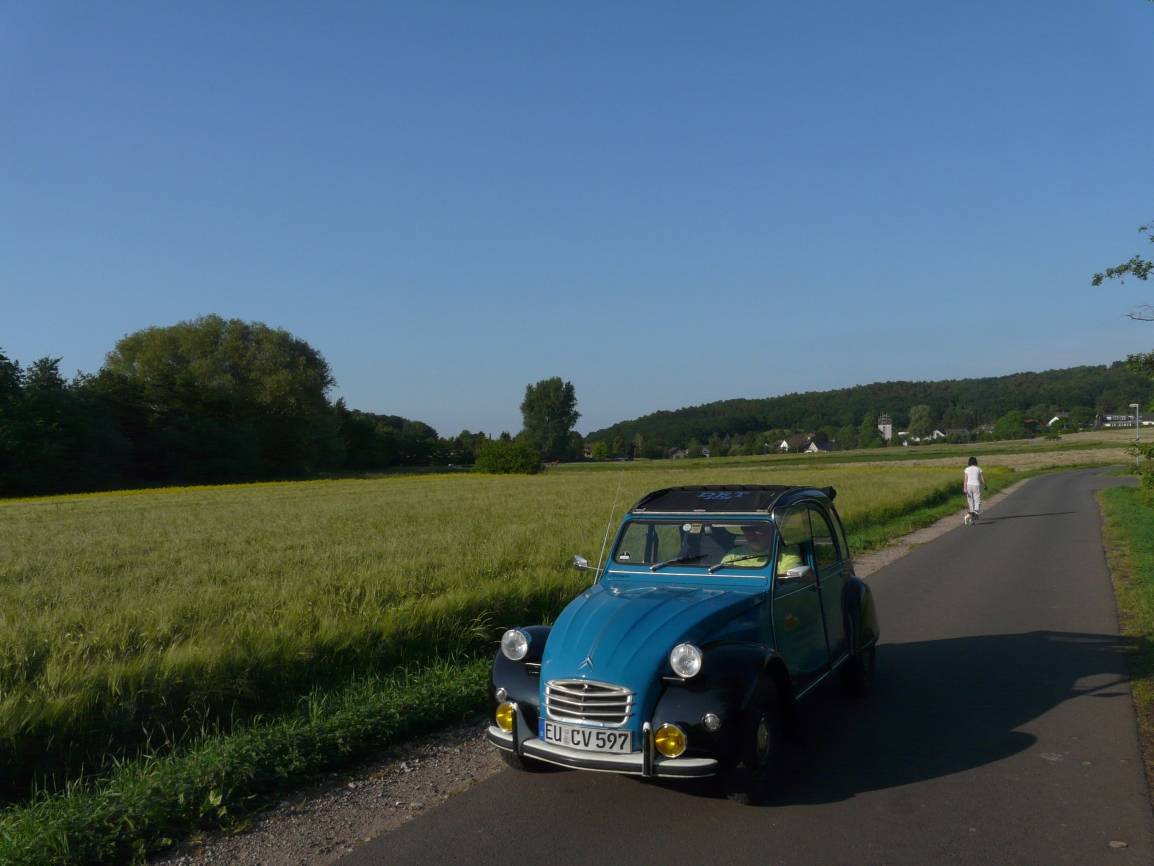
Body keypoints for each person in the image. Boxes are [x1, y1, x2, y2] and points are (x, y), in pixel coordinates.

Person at [720, 524, 804, 574]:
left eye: (755, 529)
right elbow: (720, 576)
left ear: (770, 530)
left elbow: (793, 576)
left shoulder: (785, 553)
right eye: (745, 529)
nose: (750, 535)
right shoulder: (733, 555)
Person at [963, 456, 987, 525]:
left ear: (969, 462)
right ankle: (976, 513)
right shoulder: (979, 468)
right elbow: (982, 479)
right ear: (976, 462)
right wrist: (985, 485)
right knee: (977, 500)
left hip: (968, 486)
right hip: (976, 485)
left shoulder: (967, 469)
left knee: (970, 501)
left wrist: (964, 488)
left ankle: (971, 517)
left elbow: (965, 480)